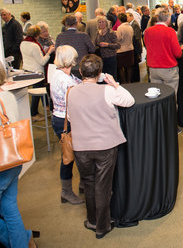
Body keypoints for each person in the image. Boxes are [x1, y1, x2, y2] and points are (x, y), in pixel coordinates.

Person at [68, 54, 134, 239]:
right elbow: (129, 101)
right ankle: (103, 226)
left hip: (81, 147)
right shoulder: (107, 91)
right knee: (103, 186)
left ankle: (92, 220)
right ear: (99, 74)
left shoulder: (71, 91)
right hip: (105, 146)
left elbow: (71, 117)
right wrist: (114, 83)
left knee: (88, 184)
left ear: (80, 72)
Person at [0, 67, 39, 248]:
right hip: (13, 159)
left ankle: (22, 239)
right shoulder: (7, 95)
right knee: (9, 207)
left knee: (8, 207)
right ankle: (22, 241)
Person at [49, 45, 83, 205]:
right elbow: (78, 96)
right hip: (66, 121)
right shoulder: (65, 80)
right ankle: (67, 192)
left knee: (73, 154)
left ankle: (81, 185)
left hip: (59, 118)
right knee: (69, 156)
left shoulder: (58, 73)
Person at [20, 25, 55, 121]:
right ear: (37, 34)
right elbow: (42, 61)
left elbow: (33, 56)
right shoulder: (34, 45)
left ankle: (35, 112)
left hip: (27, 70)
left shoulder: (23, 43)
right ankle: (34, 114)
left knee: (36, 93)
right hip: (37, 72)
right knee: (37, 94)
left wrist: (44, 51)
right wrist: (49, 52)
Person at [144, 10, 182, 94]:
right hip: (168, 68)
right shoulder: (170, 31)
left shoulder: (147, 31)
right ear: (168, 19)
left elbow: (147, 46)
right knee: (171, 94)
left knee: (157, 95)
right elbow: (177, 53)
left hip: (153, 68)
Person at [115, 13, 134, 84]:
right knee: (129, 67)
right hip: (130, 48)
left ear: (119, 20)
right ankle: (129, 81)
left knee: (121, 68)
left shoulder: (120, 28)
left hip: (121, 50)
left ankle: (123, 82)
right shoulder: (130, 26)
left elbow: (118, 39)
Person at [127, 12, 143, 83]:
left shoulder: (135, 24)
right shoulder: (131, 24)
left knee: (135, 64)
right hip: (134, 47)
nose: (126, 19)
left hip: (135, 47)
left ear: (131, 17)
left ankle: (136, 79)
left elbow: (136, 37)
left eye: (127, 17)